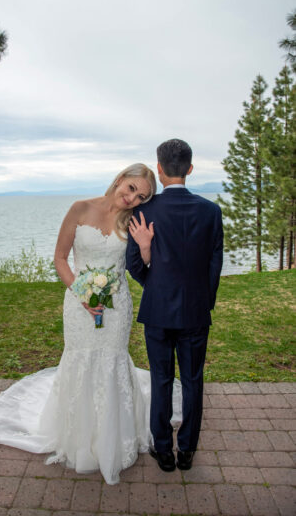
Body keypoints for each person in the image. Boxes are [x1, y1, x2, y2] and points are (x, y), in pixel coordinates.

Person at [0, 163, 182, 485]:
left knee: (112, 361)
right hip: (78, 305)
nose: (132, 198)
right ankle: (79, 438)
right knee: (80, 359)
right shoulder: (79, 208)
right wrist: (83, 295)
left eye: (141, 196)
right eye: (131, 188)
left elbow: (142, 267)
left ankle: (114, 438)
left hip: (117, 307)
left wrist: (146, 248)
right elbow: (60, 258)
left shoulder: (135, 221)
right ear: (120, 179)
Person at [126, 139, 223, 472]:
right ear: (191, 169)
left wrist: (154, 288)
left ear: (159, 169)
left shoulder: (143, 211)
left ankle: (164, 450)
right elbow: (214, 263)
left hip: (157, 311)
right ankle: (189, 451)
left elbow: (134, 265)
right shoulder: (211, 211)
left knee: (161, 379)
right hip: (196, 312)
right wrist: (203, 301)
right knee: (193, 379)